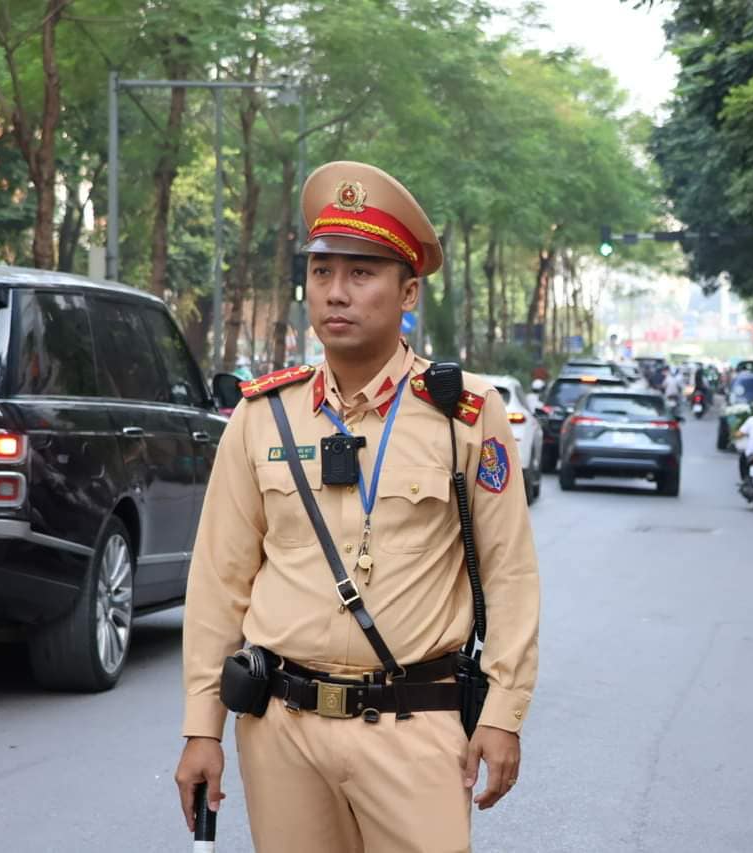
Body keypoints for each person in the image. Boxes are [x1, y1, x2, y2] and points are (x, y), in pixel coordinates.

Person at [174, 161, 541, 853]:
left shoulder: (465, 413)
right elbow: (218, 582)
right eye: (321, 273)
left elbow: (510, 572)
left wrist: (503, 711)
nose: (335, 293)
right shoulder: (263, 417)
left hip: (417, 727)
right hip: (281, 728)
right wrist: (202, 728)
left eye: (361, 273)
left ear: (408, 291)